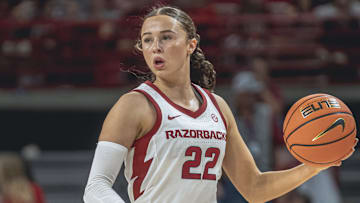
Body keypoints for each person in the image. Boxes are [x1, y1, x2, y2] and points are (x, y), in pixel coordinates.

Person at [83, 5, 358, 203]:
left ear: (191, 44)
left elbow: (254, 188)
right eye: (147, 39)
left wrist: (314, 166)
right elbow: (95, 187)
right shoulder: (134, 104)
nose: (156, 46)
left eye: (166, 37)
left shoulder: (218, 107)